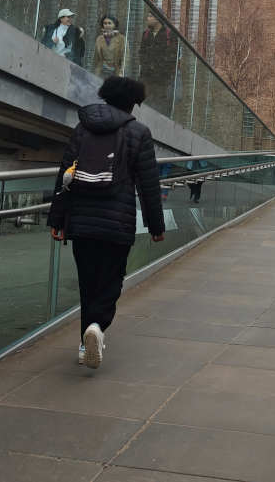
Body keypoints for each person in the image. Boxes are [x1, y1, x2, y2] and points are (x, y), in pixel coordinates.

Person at [46, 76, 164, 369]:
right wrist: (156, 226)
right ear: (132, 103)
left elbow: (65, 175)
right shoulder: (139, 132)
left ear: (105, 97)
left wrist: (57, 218)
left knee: (88, 283)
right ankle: (96, 328)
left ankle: (85, 346)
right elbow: (148, 184)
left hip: (82, 221)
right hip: (117, 222)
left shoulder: (82, 127)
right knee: (110, 281)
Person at [138, 13, 178, 108]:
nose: (147, 18)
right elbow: (141, 52)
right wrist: (145, 66)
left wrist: (162, 70)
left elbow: (172, 57)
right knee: (143, 102)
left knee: (159, 104)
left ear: (158, 19)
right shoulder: (146, 34)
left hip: (162, 79)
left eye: (150, 16)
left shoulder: (170, 34)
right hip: (146, 76)